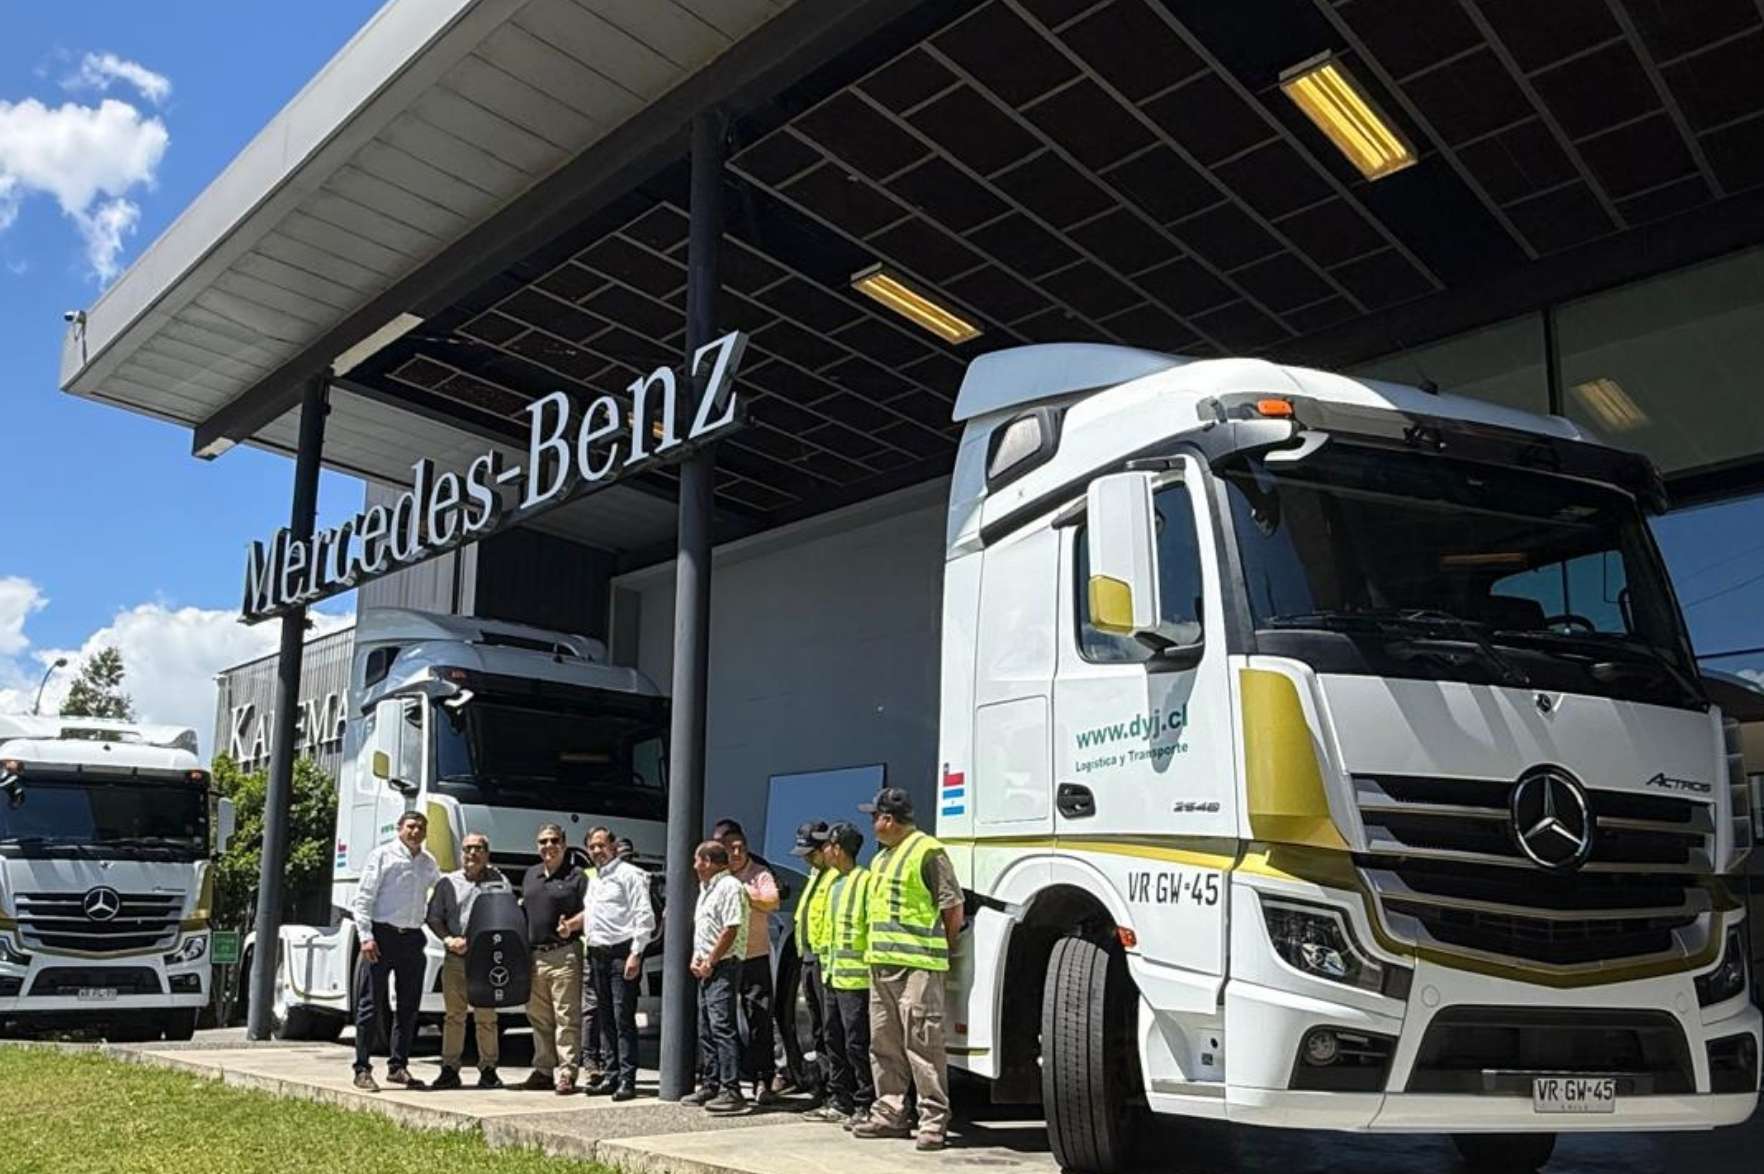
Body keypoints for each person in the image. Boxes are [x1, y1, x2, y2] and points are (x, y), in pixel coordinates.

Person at [852, 788, 963, 1152]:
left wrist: (943, 948)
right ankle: (890, 1112)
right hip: (881, 964)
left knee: (923, 1045)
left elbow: (952, 907)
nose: (871, 824)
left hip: (918, 965)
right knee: (883, 1043)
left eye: (875, 817)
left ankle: (933, 1121)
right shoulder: (880, 859)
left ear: (888, 819)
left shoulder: (928, 851)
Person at [350, 811, 441, 1092]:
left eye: (421, 827)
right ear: (400, 828)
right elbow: (364, 898)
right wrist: (365, 937)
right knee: (370, 1005)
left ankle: (398, 1066)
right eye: (411, 826)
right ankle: (362, 1068)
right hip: (381, 936)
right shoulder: (382, 856)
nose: (416, 831)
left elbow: (440, 892)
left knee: (408, 1007)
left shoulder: (428, 863)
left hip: (412, 938)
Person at [563, 826, 654, 1101]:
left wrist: (636, 953)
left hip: (621, 953)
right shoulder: (596, 879)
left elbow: (644, 916)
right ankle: (611, 1074)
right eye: (592, 846)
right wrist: (571, 926)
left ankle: (628, 1079)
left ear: (613, 846)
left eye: (602, 845)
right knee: (604, 1019)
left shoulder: (630, 875)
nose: (597, 851)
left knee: (623, 1018)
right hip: (596, 953)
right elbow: (592, 915)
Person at [424, 831, 512, 1090]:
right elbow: (433, 917)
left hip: (486, 959)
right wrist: (448, 939)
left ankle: (488, 1070)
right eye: (467, 849)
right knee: (454, 1016)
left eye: (478, 849)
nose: (472, 854)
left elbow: (507, 914)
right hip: (456, 958)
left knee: (487, 1017)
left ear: (487, 854)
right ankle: (450, 1069)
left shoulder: (499, 881)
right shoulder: (446, 883)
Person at [807, 821, 874, 1128]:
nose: (826, 851)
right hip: (831, 974)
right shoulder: (833, 882)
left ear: (840, 849)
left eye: (831, 846)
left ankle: (865, 1102)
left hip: (856, 979)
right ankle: (840, 1100)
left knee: (857, 1042)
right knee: (833, 1038)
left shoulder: (864, 881)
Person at [715, 821, 780, 1104]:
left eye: (742, 847)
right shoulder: (717, 877)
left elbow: (771, 901)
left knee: (759, 1018)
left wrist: (743, 893)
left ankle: (763, 1080)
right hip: (726, 958)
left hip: (755, 956)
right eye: (732, 849)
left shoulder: (759, 873)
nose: (738, 853)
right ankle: (723, 1081)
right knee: (721, 1020)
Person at [520, 823, 586, 1094]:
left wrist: (571, 924)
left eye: (554, 840)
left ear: (564, 843)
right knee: (538, 1017)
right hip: (535, 956)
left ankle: (567, 1073)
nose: (548, 846)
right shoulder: (530, 875)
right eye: (543, 841)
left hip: (564, 954)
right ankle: (544, 1069)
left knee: (566, 1016)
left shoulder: (577, 876)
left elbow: (592, 910)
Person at [689, 839, 749, 1115]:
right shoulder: (706, 889)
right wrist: (697, 957)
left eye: (698, 861)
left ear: (710, 862)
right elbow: (706, 927)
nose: (695, 867)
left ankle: (731, 1089)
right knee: (706, 1027)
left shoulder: (729, 887)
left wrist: (711, 961)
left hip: (723, 965)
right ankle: (711, 1082)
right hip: (707, 965)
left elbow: (730, 929)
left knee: (722, 1026)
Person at [778, 820, 833, 1101]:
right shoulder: (815, 874)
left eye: (811, 852)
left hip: (828, 962)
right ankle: (821, 1086)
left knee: (831, 1030)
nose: (808, 859)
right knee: (817, 1028)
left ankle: (835, 1092)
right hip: (809, 959)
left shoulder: (837, 877)